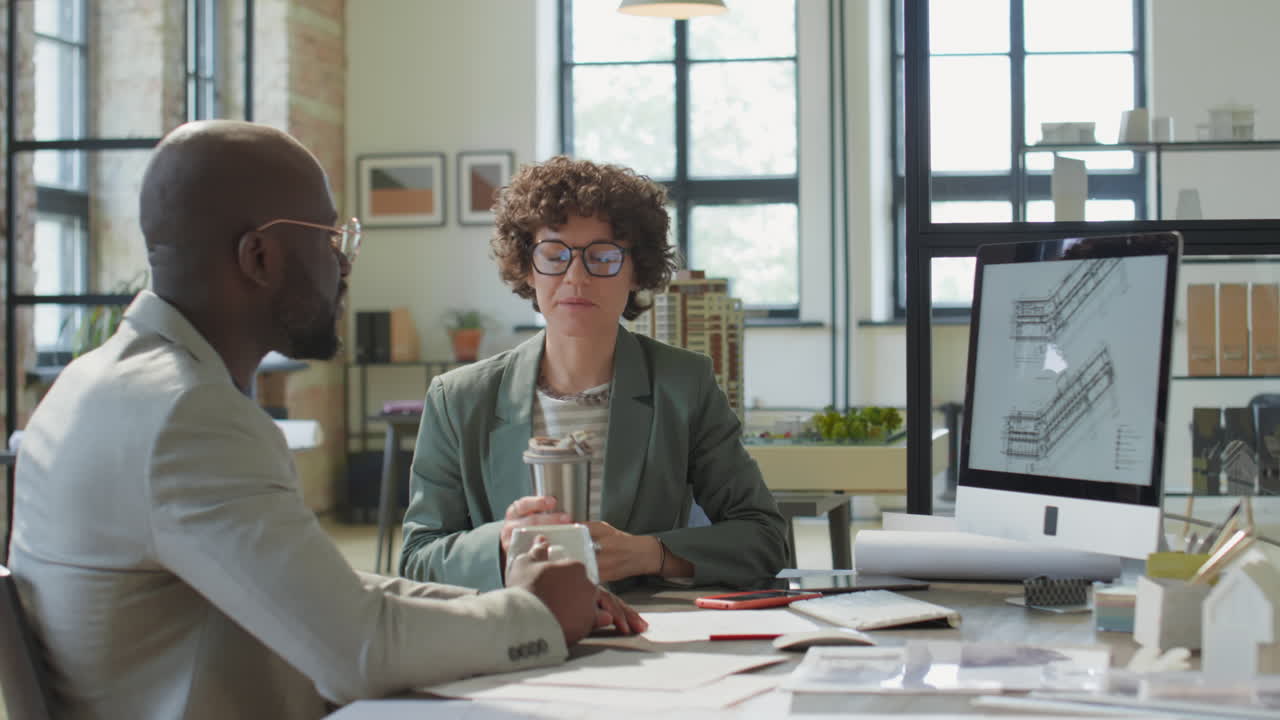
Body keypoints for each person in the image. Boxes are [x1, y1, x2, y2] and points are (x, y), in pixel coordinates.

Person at [8, 121, 643, 720]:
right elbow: (358, 653)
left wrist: (510, 601)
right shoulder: (186, 416)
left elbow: (325, 594)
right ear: (260, 257)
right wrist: (534, 616)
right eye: (331, 240)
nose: (344, 266)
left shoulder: (99, 384)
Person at [400, 155, 788, 592]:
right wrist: (503, 545)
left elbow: (766, 538)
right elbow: (418, 560)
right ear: (528, 267)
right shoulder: (460, 398)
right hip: (512, 633)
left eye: (602, 256)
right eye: (554, 255)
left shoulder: (684, 384)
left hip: (647, 636)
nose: (576, 277)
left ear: (636, 270)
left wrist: (651, 553)